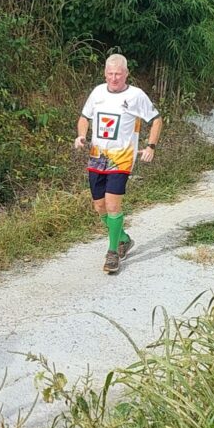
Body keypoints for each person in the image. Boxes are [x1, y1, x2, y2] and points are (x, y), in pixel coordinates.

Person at [74, 54, 162, 274]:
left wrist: (150, 146)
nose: (114, 78)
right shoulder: (97, 92)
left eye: (118, 74)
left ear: (126, 74)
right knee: (99, 206)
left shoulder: (136, 96)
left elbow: (156, 120)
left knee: (113, 206)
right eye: (110, 74)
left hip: (121, 158)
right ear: (105, 74)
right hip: (97, 157)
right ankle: (123, 238)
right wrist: (81, 135)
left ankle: (112, 253)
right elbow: (84, 117)